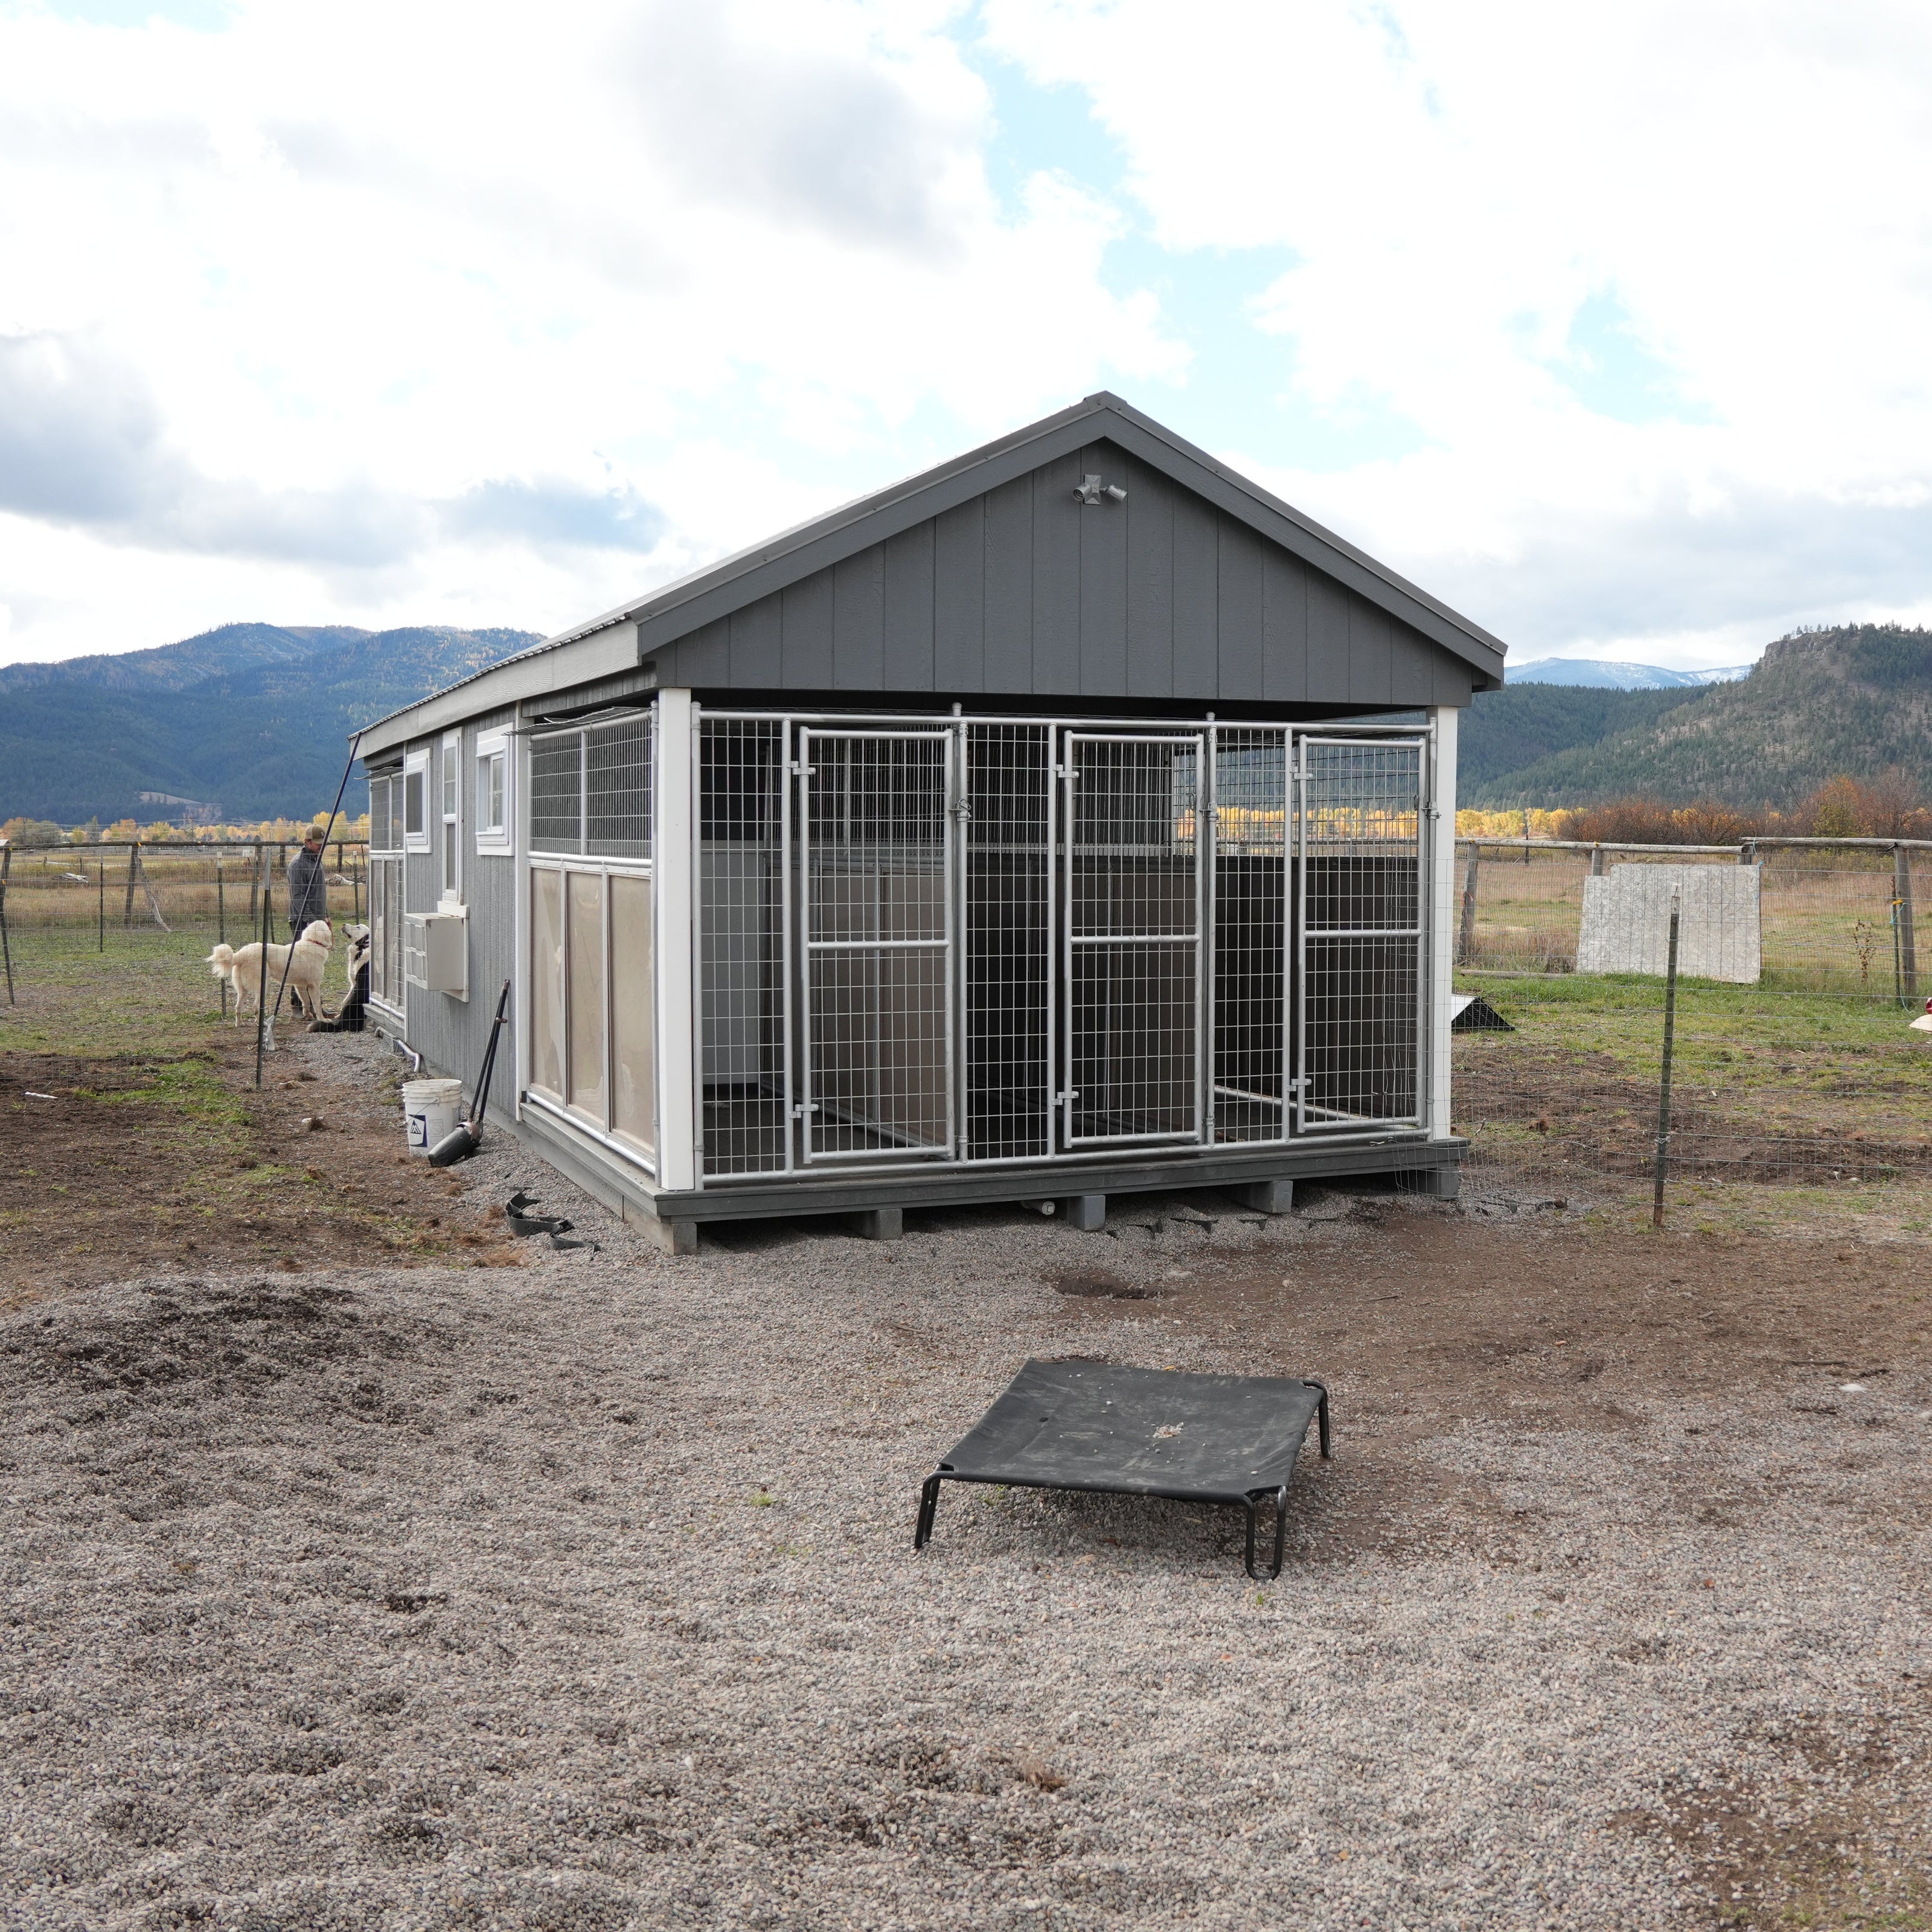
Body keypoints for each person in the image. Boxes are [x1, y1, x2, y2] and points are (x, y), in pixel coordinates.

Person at [286, 825, 329, 939]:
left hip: (318, 920)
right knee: (303, 956)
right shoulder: (298, 865)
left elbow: (320, 892)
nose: (322, 846)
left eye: (323, 843)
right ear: (307, 842)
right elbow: (298, 896)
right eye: (318, 843)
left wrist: (326, 915)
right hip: (303, 922)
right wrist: (310, 920)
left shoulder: (317, 860)